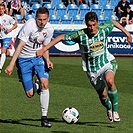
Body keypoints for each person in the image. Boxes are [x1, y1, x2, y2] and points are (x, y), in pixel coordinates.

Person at [36, 12, 132, 122]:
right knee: (103, 96)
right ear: (86, 24)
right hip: (92, 70)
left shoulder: (104, 29)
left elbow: (113, 22)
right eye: (89, 25)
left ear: (97, 23)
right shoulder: (81, 35)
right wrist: (44, 49)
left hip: (107, 62)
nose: (92, 28)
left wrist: (127, 34)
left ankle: (115, 111)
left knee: (110, 81)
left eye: (94, 25)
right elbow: (61, 37)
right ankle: (109, 108)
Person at [5, 7, 54, 127]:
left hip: (38, 58)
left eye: (44, 19)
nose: (42, 22)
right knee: (30, 94)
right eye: (39, 19)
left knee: (45, 84)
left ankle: (44, 118)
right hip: (23, 59)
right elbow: (20, 45)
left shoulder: (49, 28)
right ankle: (36, 85)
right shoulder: (29, 25)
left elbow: (45, 46)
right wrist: (11, 64)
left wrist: (47, 60)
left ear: (48, 18)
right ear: (35, 18)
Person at [0, 3, 17, 73]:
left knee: (3, 50)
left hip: (7, 36)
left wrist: (10, 29)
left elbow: (15, 24)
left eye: (2, 9)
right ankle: (9, 53)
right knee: (4, 52)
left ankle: (0, 67)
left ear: (4, 9)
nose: (0, 10)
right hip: (1, 36)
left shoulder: (7, 17)